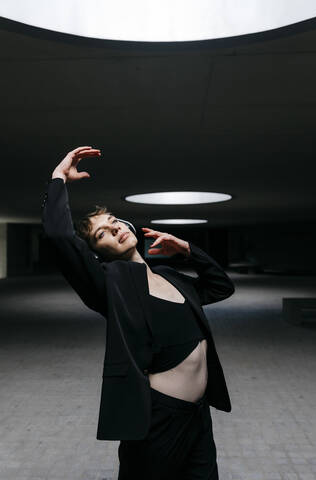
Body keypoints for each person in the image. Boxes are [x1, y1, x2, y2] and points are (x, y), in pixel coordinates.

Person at [41, 146, 235, 480]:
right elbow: (59, 235)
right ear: (99, 254)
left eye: (114, 221)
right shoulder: (110, 285)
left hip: (198, 416)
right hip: (159, 421)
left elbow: (220, 287)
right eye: (103, 233)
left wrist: (188, 250)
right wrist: (59, 178)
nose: (115, 228)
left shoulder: (170, 276)